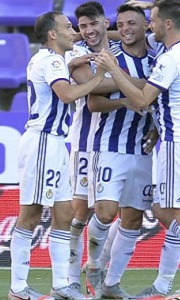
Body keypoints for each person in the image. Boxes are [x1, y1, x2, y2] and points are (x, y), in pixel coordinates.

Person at [95, 1, 180, 299]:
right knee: (163, 209)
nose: (151, 24)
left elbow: (143, 100)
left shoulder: (170, 59)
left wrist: (113, 70)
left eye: (153, 19)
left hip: (177, 140)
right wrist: (156, 3)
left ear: (168, 24)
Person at [9, 11, 105, 300]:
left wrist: (82, 59)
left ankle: (62, 284)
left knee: (64, 214)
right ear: (52, 35)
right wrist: (97, 79)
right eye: (67, 27)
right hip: (42, 142)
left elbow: (72, 59)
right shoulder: (50, 61)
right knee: (31, 214)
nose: (73, 30)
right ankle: (18, 287)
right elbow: (66, 94)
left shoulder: (56, 58)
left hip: (56, 145)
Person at [81, 4, 155, 299]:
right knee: (106, 211)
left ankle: (111, 284)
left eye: (131, 24)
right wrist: (127, 99)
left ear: (146, 27)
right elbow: (93, 101)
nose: (125, 29)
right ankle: (93, 264)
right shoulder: (108, 58)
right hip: (110, 145)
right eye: (121, 24)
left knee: (133, 218)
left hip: (142, 149)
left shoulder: (155, 60)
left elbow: (161, 100)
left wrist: (158, 129)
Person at [65, 1, 122, 292]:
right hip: (85, 144)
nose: (88, 31)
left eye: (93, 24)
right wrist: (132, 82)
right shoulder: (75, 55)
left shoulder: (121, 50)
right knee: (79, 214)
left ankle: (95, 264)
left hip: (118, 145)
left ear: (105, 22)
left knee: (116, 213)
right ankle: (72, 281)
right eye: (82, 26)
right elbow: (92, 90)